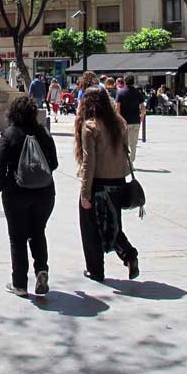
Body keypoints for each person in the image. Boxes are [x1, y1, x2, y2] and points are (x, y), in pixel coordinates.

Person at [0, 96, 59, 297]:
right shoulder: (43, 134)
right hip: (44, 192)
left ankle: (20, 284)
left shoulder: (9, 134)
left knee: (17, 238)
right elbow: (54, 163)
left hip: (16, 193)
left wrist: (2, 182)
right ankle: (41, 270)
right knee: (38, 232)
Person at [75, 87, 139, 283]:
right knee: (112, 225)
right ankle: (129, 254)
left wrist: (85, 192)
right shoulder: (120, 123)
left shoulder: (90, 126)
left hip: (98, 184)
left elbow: (89, 161)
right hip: (118, 182)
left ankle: (96, 270)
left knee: (91, 229)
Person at [115, 74, 146, 163]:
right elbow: (143, 108)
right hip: (135, 121)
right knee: (133, 143)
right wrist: (142, 117)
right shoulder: (138, 92)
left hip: (124, 121)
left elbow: (117, 108)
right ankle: (131, 161)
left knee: (124, 143)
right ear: (134, 81)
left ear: (125, 81)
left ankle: (124, 161)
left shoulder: (120, 92)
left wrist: (118, 118)